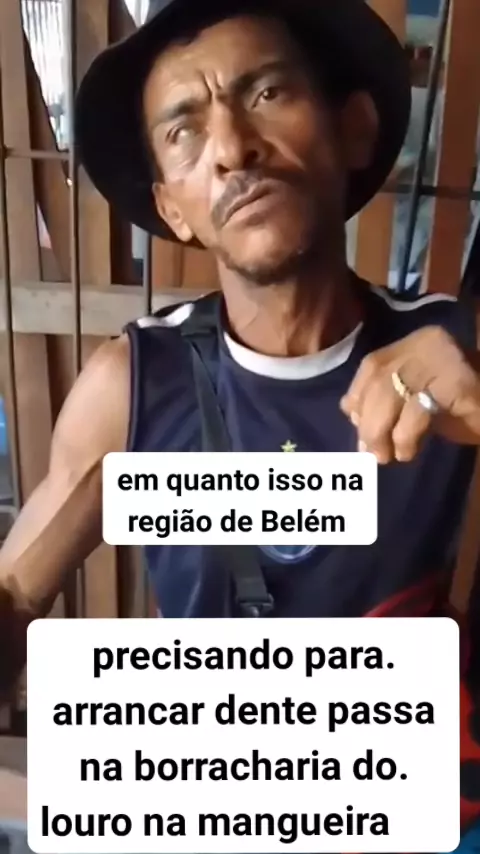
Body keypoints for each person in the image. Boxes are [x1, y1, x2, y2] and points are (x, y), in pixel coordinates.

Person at [2, 0, 480, 826]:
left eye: (266, 94)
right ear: (173, 208)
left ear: (353, 131)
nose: (231, 148)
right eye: (184, 130)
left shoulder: (453, 353)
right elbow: (14, 589)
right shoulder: (132, 383)